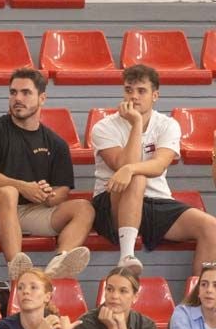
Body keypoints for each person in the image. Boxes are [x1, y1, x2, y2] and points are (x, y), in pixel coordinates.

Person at [91, 64, 216, 276]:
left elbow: (158, 165)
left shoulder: (168, 125)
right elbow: (122, 165)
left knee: (211, 227)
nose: (133, 96)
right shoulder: (104, 127)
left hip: (156, 201)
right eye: (128, 90)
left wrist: (131, 168)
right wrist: (136, 125)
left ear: (155, 95)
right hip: (112, 202)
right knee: (137, 178)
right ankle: (127, 256)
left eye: (141, 91)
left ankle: (199, 294)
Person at [0, 68, 93, 281]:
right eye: (13, 92)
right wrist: (23, 187)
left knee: (84, 208)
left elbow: (62, 189)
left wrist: (48, 196)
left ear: (42, 98)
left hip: (31, 211)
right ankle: (18, 270)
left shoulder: (56, 143)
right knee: (8, 193)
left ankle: (58, 264)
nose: (17, 98)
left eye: (26, 92)